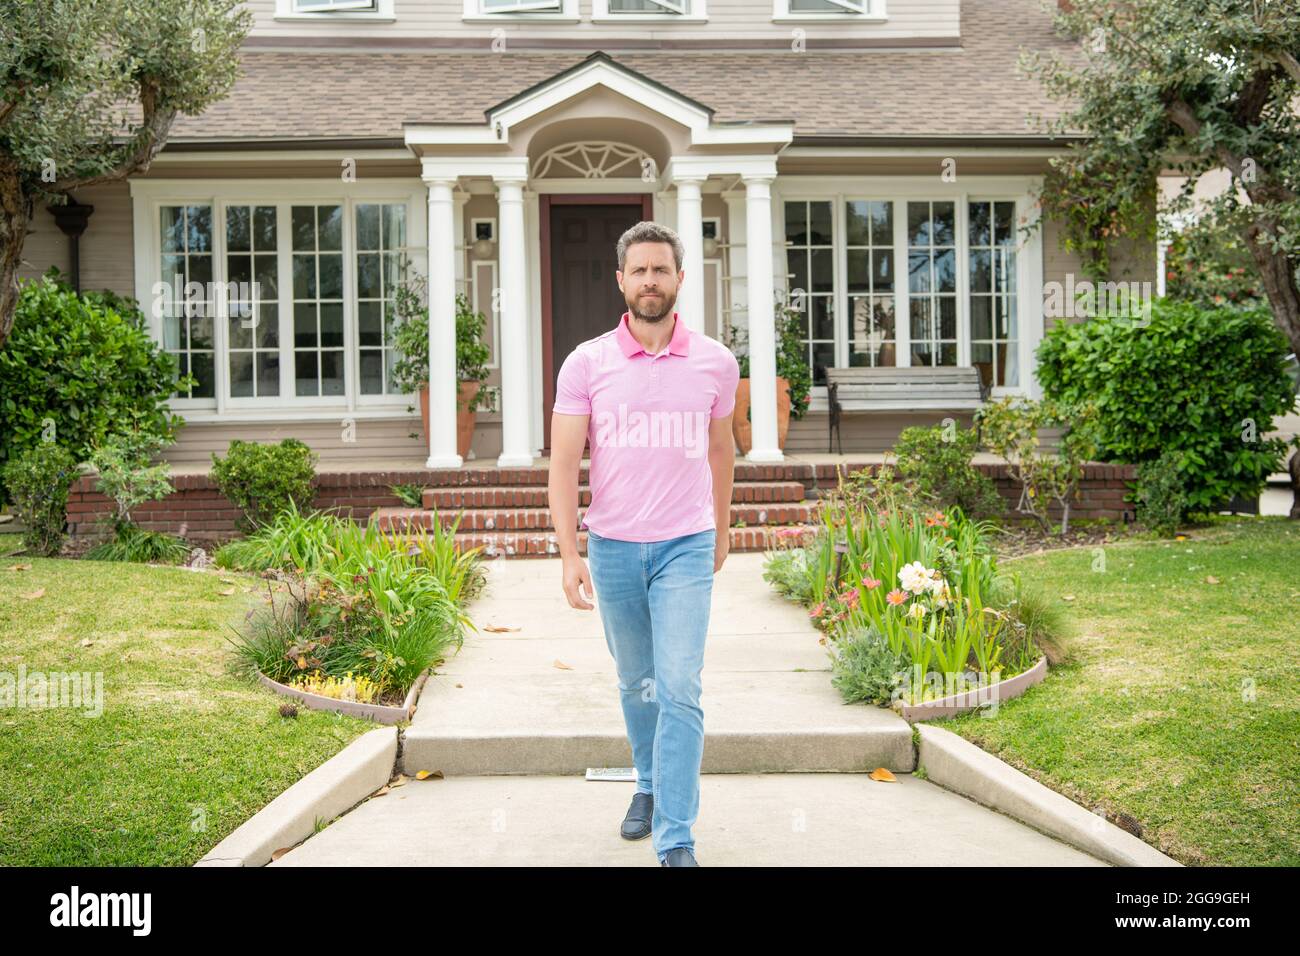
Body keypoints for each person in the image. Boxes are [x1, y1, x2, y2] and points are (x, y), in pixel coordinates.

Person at [546, 220, 739, 867]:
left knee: (680, 685)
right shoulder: (586, 363)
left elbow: (721, 451)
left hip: (686, 542)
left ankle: (676, 838)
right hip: (614, 548)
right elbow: (564, 463)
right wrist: (570, 553)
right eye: (640, 270)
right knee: (639, 683)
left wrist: (723, 524)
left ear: (681, 279)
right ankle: (649, 787)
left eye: (662, 269)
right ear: (621, 279)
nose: (651, 281)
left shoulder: (716, 362)